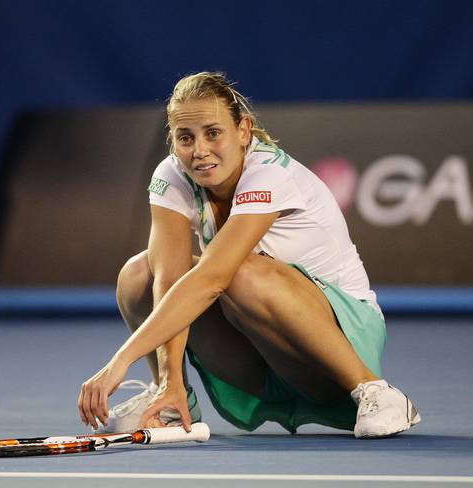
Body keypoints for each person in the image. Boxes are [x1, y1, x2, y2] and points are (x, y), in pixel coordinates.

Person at [77, 72, 421, 438]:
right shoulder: (172, 175)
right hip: (263, 353)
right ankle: (172, 401)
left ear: (243, 131)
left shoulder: (269, 173)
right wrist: (170, 378)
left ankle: (375, 391)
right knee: (138, 276)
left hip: (344, 344)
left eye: (213, 133)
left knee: (236, 272)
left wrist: (120, 361)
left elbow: (212, 279)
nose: (200, 151)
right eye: (185, 138)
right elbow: (168, 278)